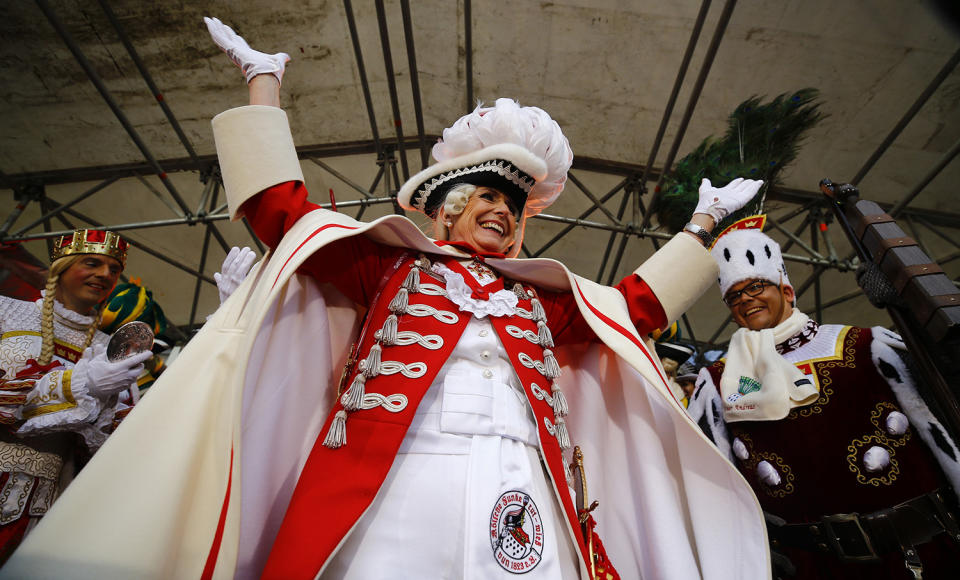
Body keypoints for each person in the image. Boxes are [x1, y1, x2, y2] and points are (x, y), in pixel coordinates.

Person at [2, 19, 770, 580]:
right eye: (485, 197)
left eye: (514, 205)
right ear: (443, 207)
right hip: (397, 477)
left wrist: (706, 226)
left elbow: (634, 311)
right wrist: (263, 82)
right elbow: (280, 213)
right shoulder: (387, 267)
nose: (502, 211)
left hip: (523, 485)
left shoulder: (547, 299)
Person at [686, 220, 960, 579]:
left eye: (755, 287)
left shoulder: (868, 345)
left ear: (786, 291)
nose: (745, 300)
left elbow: (946, 413)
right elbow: (707, 486)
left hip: (921, 558)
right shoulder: (719, 381)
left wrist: (912, 310)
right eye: (734, 296)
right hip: (809, 567)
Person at [0, 230, 150, 561]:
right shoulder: (7, 313)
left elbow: (118, 445)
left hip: (47, 506)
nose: (105, 275)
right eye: (92, 263)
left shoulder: (113, 349)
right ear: (61, 267)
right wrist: (81, 386)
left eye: (114, 269)